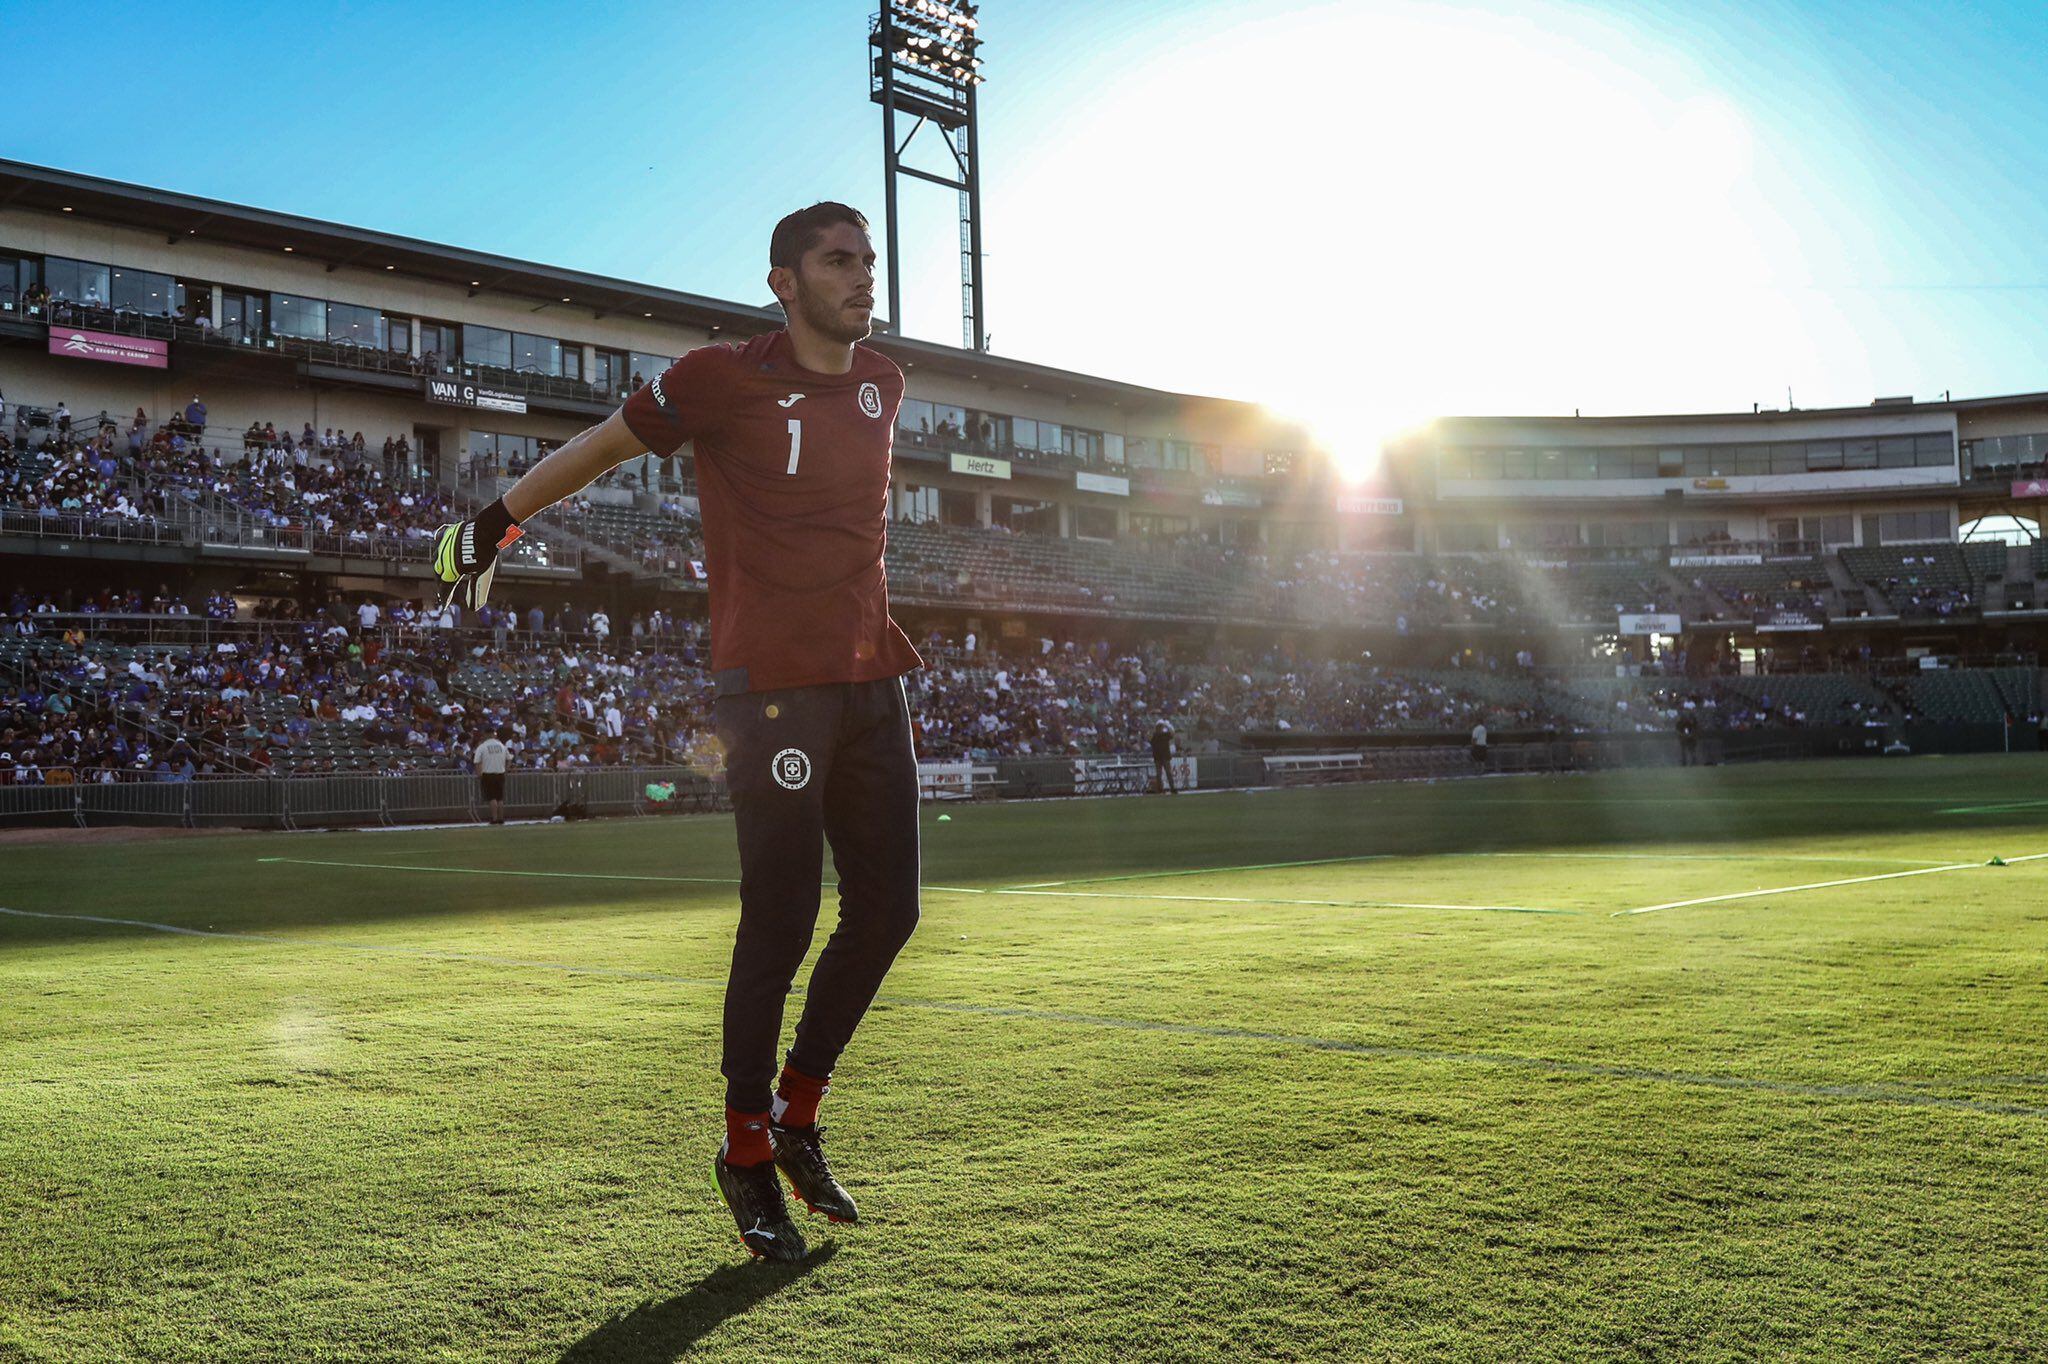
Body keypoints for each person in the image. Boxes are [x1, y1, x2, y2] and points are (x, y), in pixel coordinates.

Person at [431, 202, 919, 1262]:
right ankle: (744, 1151)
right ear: (783, 282)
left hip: (873, 676)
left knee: (888, 910)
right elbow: (604, 449)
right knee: (782, 918)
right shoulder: (714, 377)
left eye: (867, 262)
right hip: (772, 691)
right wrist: (492, 519)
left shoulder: (884, 380)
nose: (861, 278)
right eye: (839, 263)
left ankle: (797, 1113)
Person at [473, 728, 511, 825]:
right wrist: (505, 770)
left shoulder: (482, 747)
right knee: (500, 798)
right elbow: (509, 759)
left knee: (492, 797)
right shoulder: (501, 745)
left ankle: (494, 818)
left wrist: (479, 775)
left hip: (488, 774)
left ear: (485, 734)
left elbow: (477, 762)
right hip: (500, 773)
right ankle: (501, 818)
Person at [1150, 718, 1178, 794]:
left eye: (1161, 726)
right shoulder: (1155, 736)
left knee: (1168, 773)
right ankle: (1160, 789)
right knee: (1159, 774)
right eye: (1159, 726)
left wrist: (1167, 725)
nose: (1160, 728)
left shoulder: (1165, 735)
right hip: (1158, 757)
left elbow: (1172, 733)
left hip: (1165, 756)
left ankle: (1172, 788)